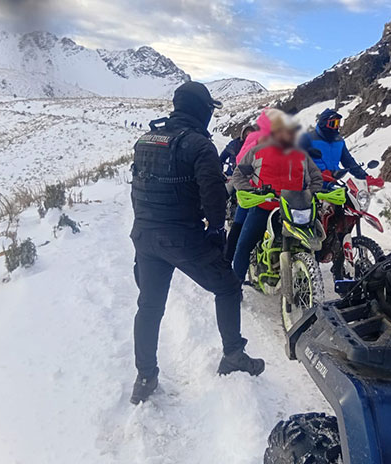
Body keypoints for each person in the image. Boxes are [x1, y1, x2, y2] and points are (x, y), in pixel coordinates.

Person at [129, 81, 265, 404]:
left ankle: (145, 376)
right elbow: (215, 197)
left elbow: (137, 189)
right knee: (229, 286)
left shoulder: (145, 139)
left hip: (145, 237)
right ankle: (233, 354)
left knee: (149, 307)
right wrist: (216, 232)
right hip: (182, 238)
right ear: (200, 110)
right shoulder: (200, 145)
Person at [230, 111, 324, 282]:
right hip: (264, 206)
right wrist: (252, 192)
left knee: (312, 245)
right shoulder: (257, 151)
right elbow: (238, 175)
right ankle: (235, 288)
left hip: (294, 208)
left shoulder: (301, 155)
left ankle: (309, 281)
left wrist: (310, 193)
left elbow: (316, 178)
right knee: (243, 246)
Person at [223, 109, 275, 263]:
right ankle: (229, 261)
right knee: (240, 228)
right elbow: (239, 162)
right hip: (253, 191)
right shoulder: (247, 143)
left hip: (269, 192)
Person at [299, 108, 366, 179]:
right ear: (323, 123)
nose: (336, 127)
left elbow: (348, 162)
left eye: (338, 123)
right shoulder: (307, 139)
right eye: (333, 123)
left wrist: (365, 177)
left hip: (332, 183)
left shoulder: (339, 142)